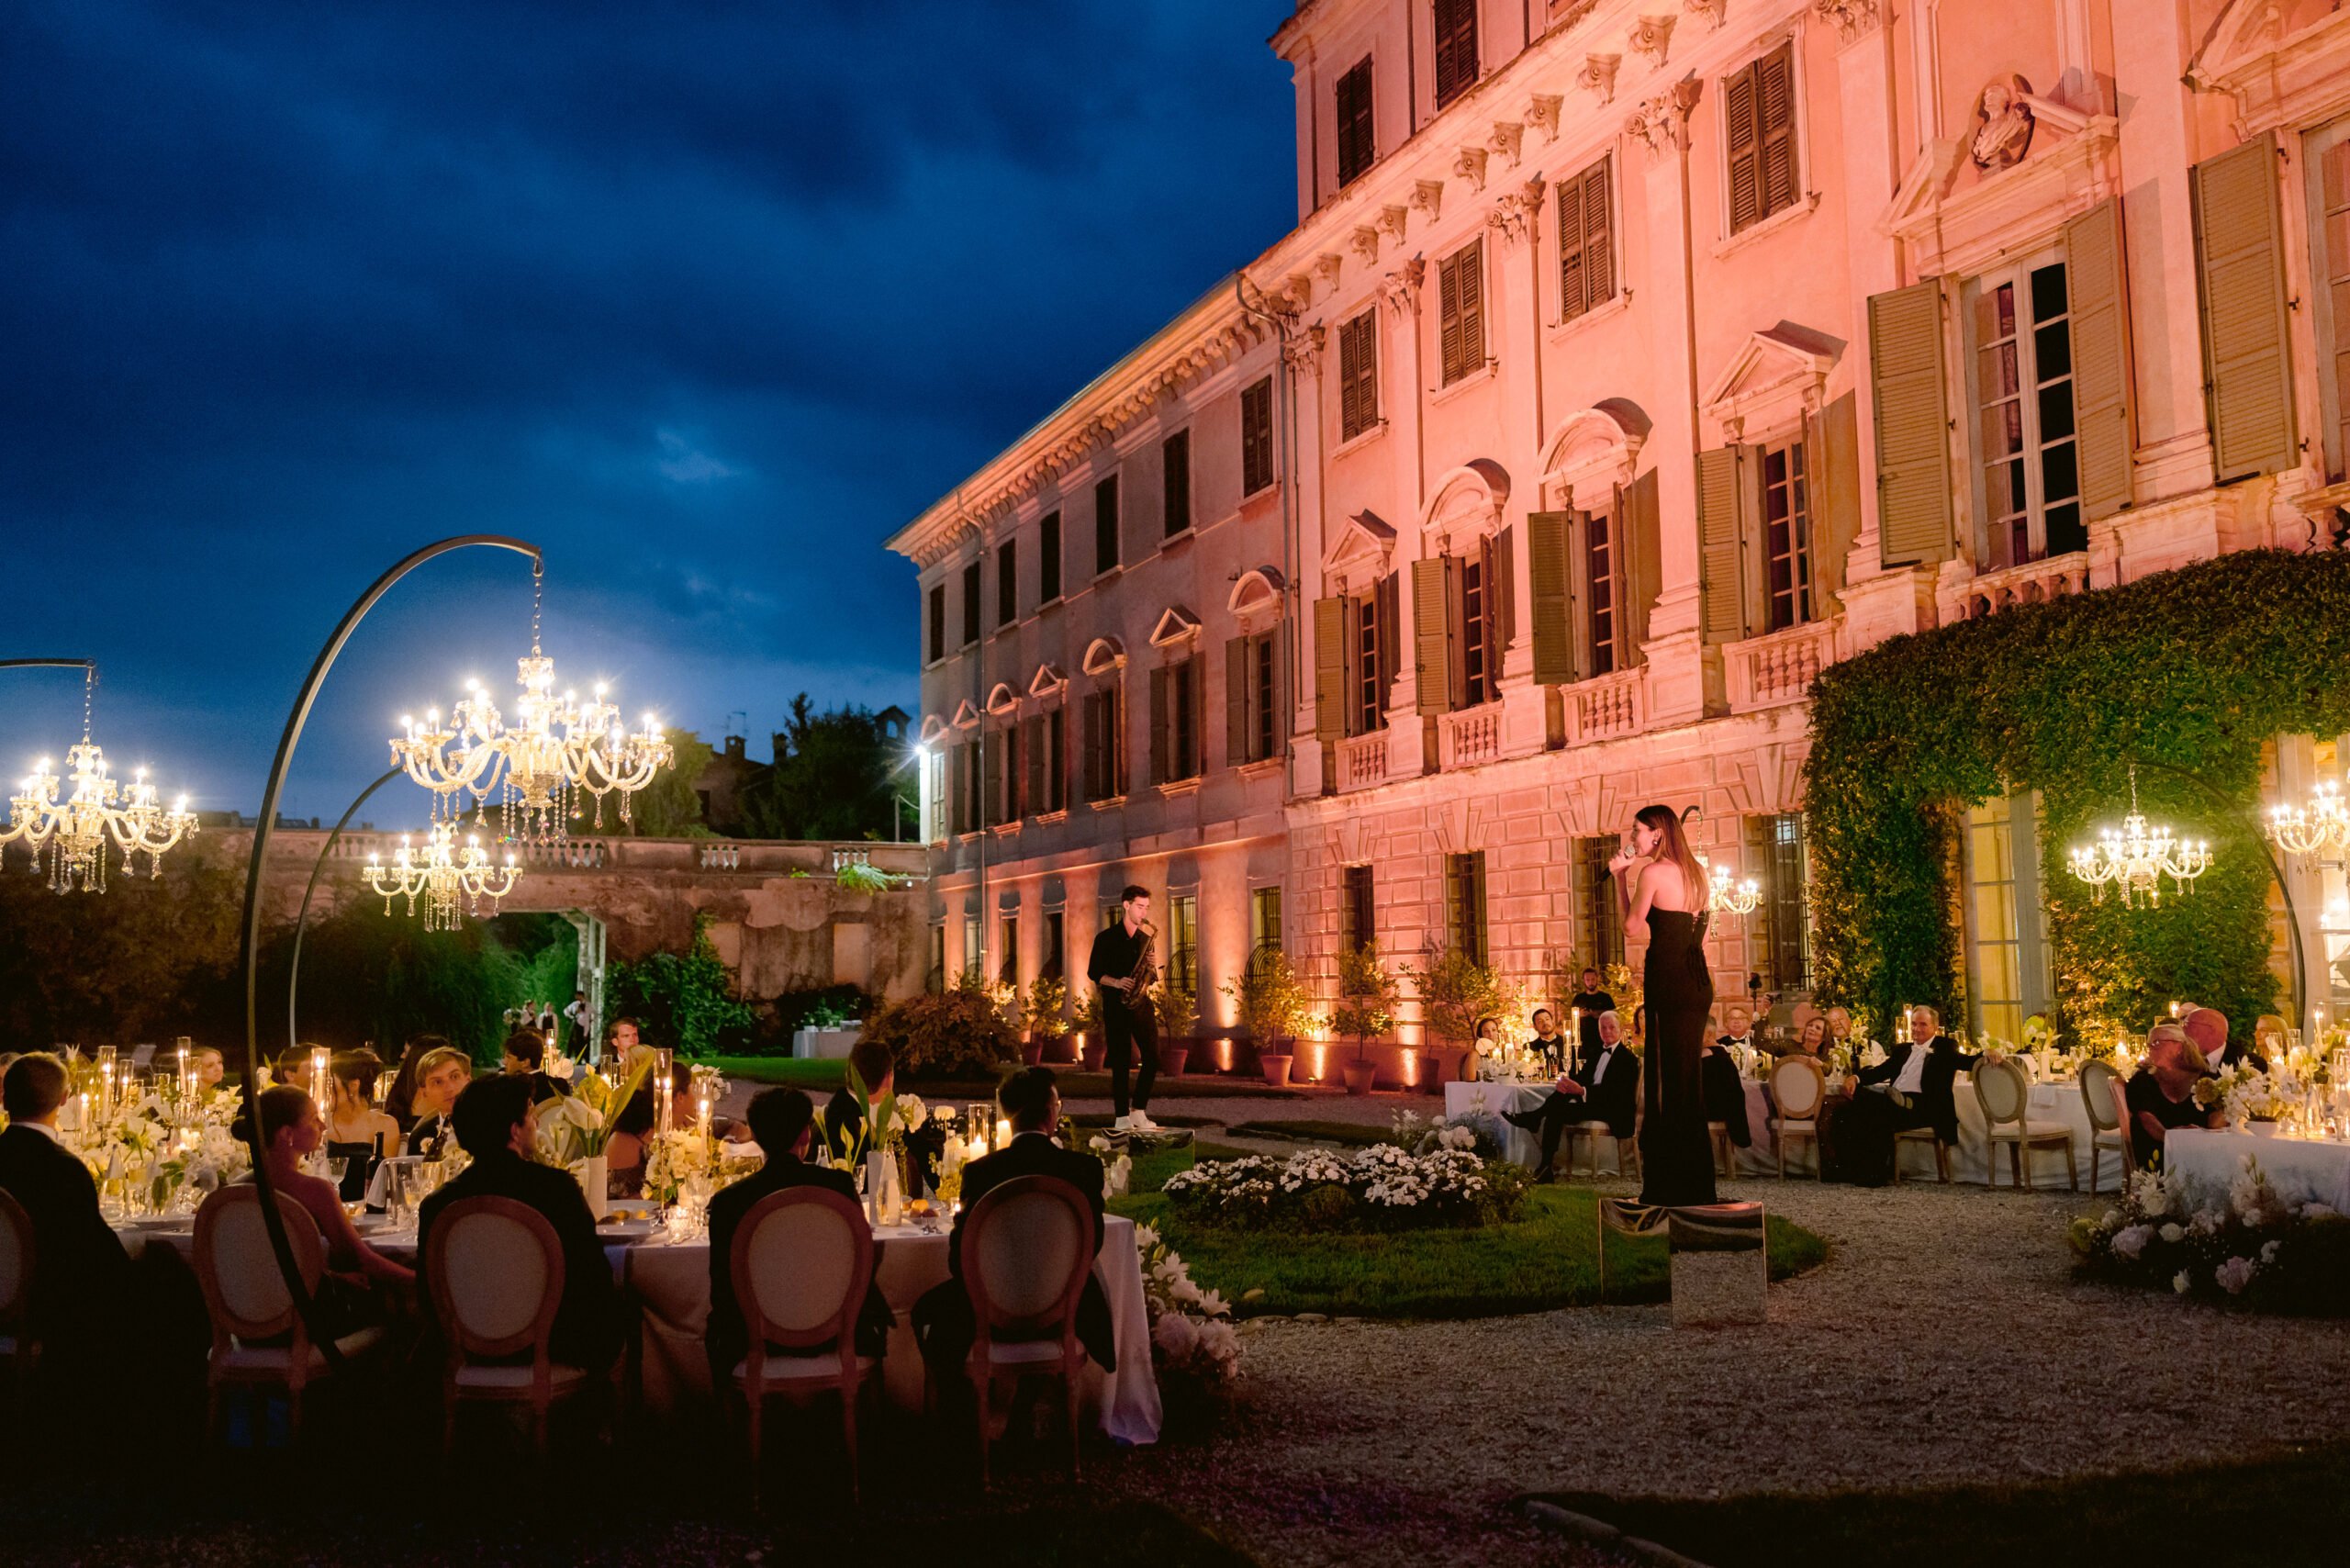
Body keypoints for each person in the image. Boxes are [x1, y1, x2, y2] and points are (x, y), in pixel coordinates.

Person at [913, 1067, 1114, 1377]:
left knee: (921, 1311)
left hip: (989, 1319)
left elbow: (959, 1260)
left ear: (1007, 1115)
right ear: (1049, 1113)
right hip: (1066, 1314)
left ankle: (954, 1399)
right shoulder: (1082, 1169)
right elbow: (1092, 1244)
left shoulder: (982, 1172)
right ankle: (1031, 1398)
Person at [415, 1076, 622, 1373]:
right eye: (530, 1113)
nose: (536, 1121)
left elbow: (428, 1295)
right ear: (515, 1130)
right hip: (554, 1347)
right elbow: (592, 1278)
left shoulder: (438, 1205)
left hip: (465, 1353)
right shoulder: (555, 1190)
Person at [705, 1088, 894, 1387]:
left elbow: (721, 1286)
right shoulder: (838, 1186)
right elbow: (861, 1262)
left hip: (754, 1339)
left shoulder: (729, 1202)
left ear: (756, 1136)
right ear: (805, 1134)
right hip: (840, 1334)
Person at [0, 1054, 134, 1378]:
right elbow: (98, 1257)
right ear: (63, 1099)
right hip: (45, 1310)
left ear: (4, 1099)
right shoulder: (62, 1168)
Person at [1613, 804, 1716, 1206]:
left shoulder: (1653, 872)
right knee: (1687, 1079)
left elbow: (1630, 927)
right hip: (1697, 983)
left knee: (1666, 1078)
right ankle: (1695, 1183)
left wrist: (1619, 877)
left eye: (1636, 831)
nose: (1632, 838)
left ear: (1656, 834)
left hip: (1669, 981)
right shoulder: (1698, 873)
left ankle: (1669, 1185)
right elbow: (1703, 937)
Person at [244, 1085, 414, 1301]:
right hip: (306, 1314)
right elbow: (361, 1260)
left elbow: (267, 1262)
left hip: (250, 1305)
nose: (323, 1126)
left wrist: (331, 1276)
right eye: (314, 1119)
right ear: (287, 1134)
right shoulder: (315, 1191)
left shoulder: (235, 1190)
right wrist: (426, 1281)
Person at [1834, 1005, 1977, 1185]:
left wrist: (1989, 1053)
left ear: (1934, 1027)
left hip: (1925, 1107)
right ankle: (1848, 1171)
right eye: (1914, 1024)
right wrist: (1855, 1078)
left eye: (1923, 1024)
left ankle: (1873, 1175)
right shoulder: (1903, 1050)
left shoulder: (1944, 1048)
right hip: (1895, 1104)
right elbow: (1881, 1071)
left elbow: (1968, 1062)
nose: (1917, 1028)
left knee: (1875, 1107)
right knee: (1845, 1112)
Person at [1505, 1009, 1639, 1180]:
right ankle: (1546, 1165)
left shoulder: (1628, 1059)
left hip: (1614, 1111)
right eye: (1603, 1028)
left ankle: (1534, 1119)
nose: (1607, 1031)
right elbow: (1582, 1077)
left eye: (1611, 1027)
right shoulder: (1598, 1052)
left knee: (1557, 1107)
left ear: (1620, 1029)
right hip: (1595, 1105)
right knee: (1558, 1103)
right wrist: (1566, 1082)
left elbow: (1616, 1094)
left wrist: (1582, 1091)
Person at [1087, 884, 1160, 1133]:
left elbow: (1150, 978)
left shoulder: (1145, 940)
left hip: (1140, 1004)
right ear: (1126, 905)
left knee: (1153, 1057)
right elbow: (1094, 973)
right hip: (1116, 1005)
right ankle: (1121, 1116)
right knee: (1120, 1060)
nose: (1144, 912)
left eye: (1146, 907)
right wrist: (1117, 982)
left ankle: (1138, 1110)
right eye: (1140, 907)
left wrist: (1152, 965)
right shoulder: (1106, 938)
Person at [2125, 1025, 2223, 1169]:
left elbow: (2217, 1123)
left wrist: (2202, 1137)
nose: (2150, 1048)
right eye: (2149, 1044)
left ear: (2179, 1047)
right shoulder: (2143, 1081)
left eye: (2156, 1043)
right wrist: (2174, 1140)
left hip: (2202, 1154)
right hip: (2157, 1156)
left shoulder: (2207, 1080)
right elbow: (2147, 1121)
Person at [325, 1049, 401, 1203]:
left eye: (329, 1085)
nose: (324, 1091)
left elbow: (383, 1184)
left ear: (353, 1085)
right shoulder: (319, 1123)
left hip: (365, 1209)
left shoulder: (384, 1125)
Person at [400, 1045, 473, 1158]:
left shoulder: (492, 1124)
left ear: (468, 1080)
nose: (449, 1088)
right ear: (424, 1092)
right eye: (438, 1082)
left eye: (454, 1077)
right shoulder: (420, 1136)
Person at [2182, 1006, 2262, 1074]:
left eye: (2187, 1024)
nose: (2183, 1030)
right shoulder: (2182, 1059)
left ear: (2211, 1030)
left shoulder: (2249, 1063)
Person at [499, 1029, 572, 1103]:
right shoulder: (559, 1085)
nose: (504, 1062)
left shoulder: (514, 1089)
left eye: (508, 1057)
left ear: (525, 1062)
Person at [1569, 967, 1614, 1061]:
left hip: (1602, 1041)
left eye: (1593, 979)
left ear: (1597, 979)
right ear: (1584, 981)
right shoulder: (1578, 999)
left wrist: (1596, 1014)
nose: (1591, 982)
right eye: (1588, 980)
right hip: (1583, 1042)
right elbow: (1572, 1017)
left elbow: (1613, 1016)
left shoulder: (1605, 998)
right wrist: (1579, 1015)